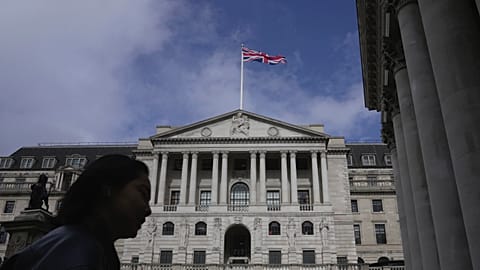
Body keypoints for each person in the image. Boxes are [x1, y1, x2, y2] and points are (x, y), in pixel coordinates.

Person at [1, 154, 152, 270]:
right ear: (108, 188)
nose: (148, 209)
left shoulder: (91, 247)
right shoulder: (77, 250)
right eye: (143, 194)